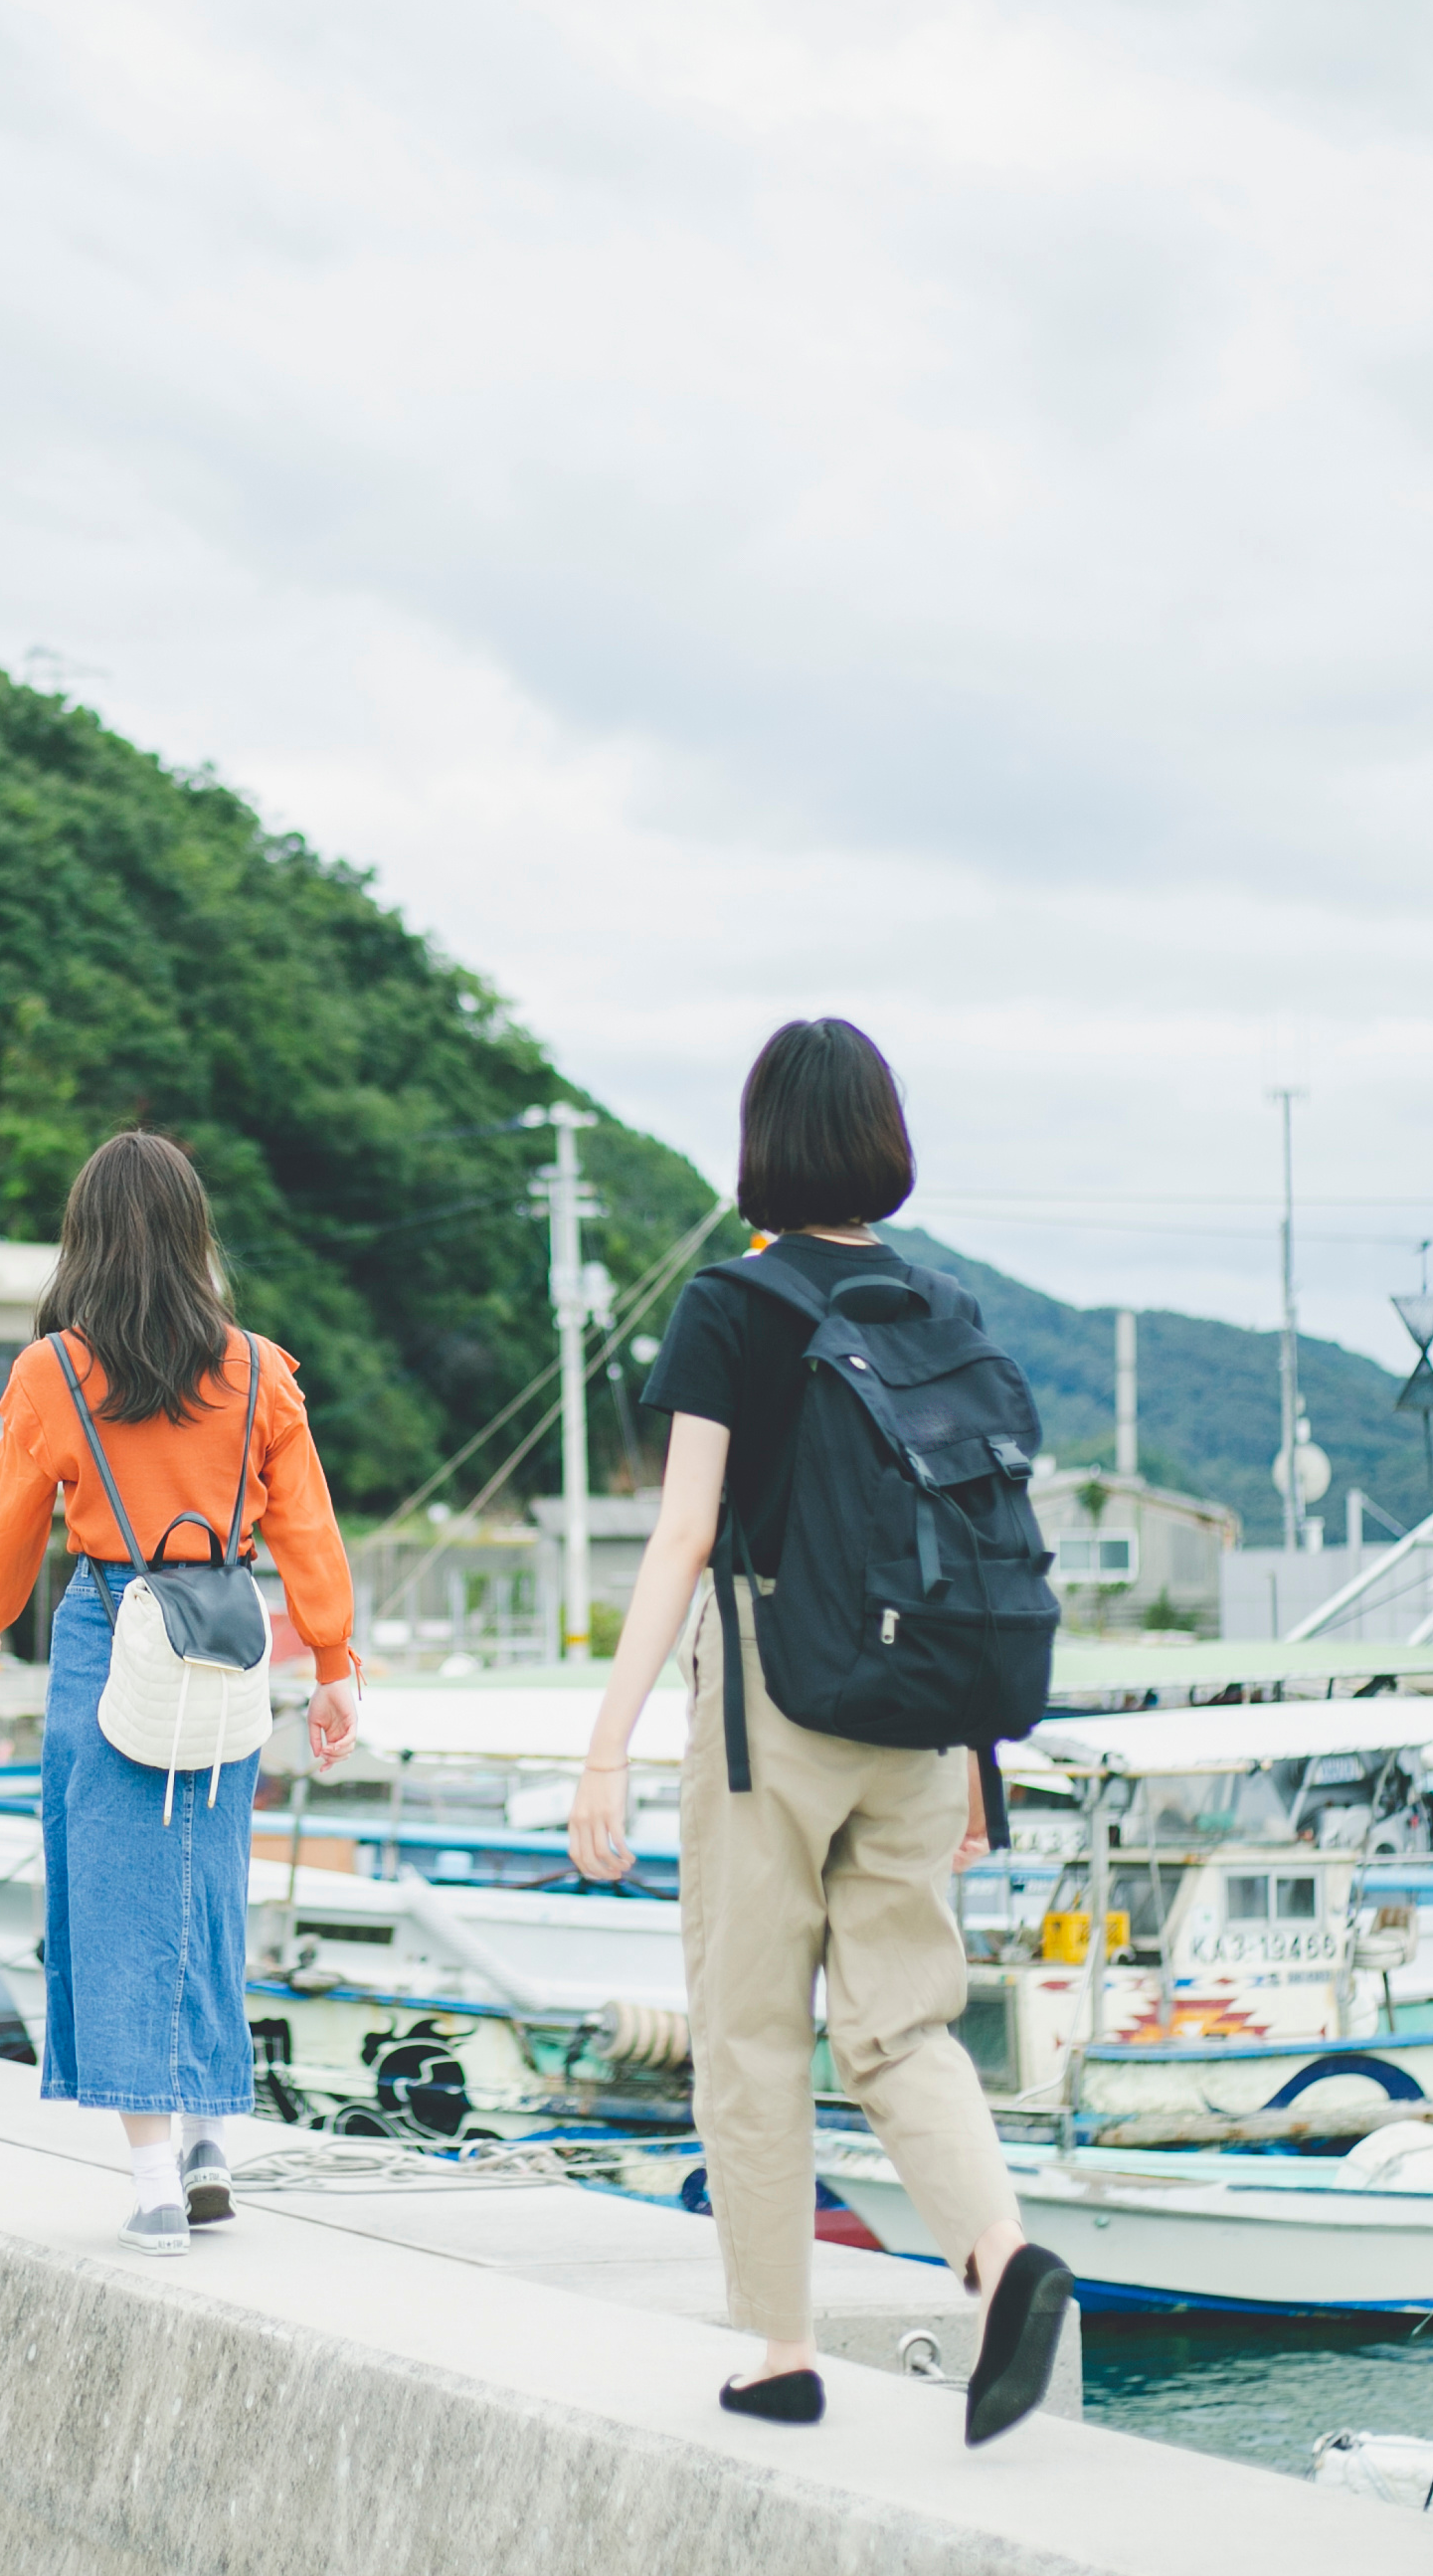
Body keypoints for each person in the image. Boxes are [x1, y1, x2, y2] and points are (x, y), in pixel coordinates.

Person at [566, 1017, 1074, 2443]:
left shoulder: (734, 1305)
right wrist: (973, 1757)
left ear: (763, 1144)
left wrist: (605, 1746)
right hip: (920, 1720)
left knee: (749, 2030)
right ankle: (1001, 2257)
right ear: (880, 1141)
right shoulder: (938, 1307)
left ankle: (780, 2351)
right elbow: (965, 1545)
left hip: (771, 1707)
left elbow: (684, 1536)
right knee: (902, 2023)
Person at [0, 1132, 362, 2253]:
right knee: (206, 1889)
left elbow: (8, 1523)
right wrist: (333, 1665)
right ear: (194, 1235)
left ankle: (152, 2187)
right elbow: (308, 1528)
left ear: (84, 1239)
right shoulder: (259, 1371)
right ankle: (211, 2142)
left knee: (116, 1900)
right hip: (227, 1632)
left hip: (109, 1627)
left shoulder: (54, 1373)